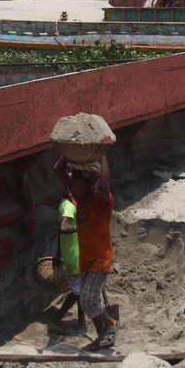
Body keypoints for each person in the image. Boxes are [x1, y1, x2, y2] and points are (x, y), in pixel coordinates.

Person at [53, 148, 117, 350]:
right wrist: (70, 151)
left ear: (91, 184)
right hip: (85, 259)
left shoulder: (102, 201)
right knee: (88, 302)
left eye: (80, 185)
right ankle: (102, 338)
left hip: (100, 259)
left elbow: (105, 184)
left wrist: (103, 154)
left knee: (88, 299)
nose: (76, 189)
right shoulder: (79, 200)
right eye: (75, 186)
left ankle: (110, 324)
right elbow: (57, 169)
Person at [49, 169, 84, 329]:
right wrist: (81, 229)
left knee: (81, 289)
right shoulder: (69, 205)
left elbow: (59, 232)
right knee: (77, 292)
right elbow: (63, 226)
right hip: (74, 254)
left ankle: (81, 321)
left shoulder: (69, 203)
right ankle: (57, 317)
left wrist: (58, 252)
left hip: (71, 251)